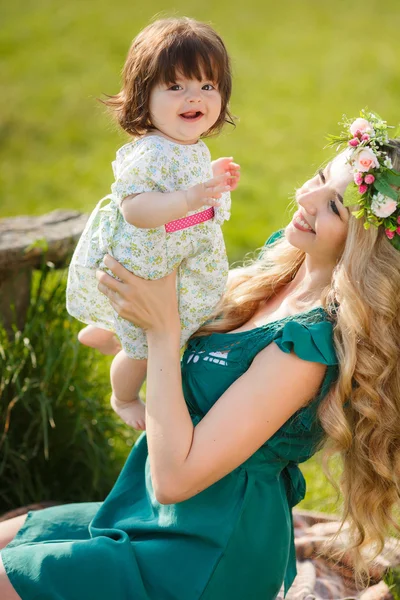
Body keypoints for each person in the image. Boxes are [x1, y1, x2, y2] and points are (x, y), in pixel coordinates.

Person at [1, 110, 400, 600]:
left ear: (368, 246)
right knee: (12, 534)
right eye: (319, 178)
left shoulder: (307, 348)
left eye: (335, 206)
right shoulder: (272, 279)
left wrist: (163, 331)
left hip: (204, 555)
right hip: (145, 513)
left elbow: (175, 480)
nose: (306, 197)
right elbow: (173, 283)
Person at [66, 17, 240, 429]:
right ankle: (123, 396)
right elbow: (135, 209)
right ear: (145, 98)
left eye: (206, 86)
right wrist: (188, 198)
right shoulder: (153, 151)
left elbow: (184, 181)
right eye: (176, 87)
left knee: (155, 323)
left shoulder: (186, 144)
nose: (193, 97)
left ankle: (109, 333)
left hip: (177, 259)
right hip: (150, 268)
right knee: (144, 346)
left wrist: (210, 176)